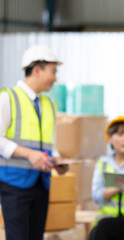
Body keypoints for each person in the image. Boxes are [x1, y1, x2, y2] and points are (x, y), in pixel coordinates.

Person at [0, 45, 68, 240]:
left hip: (41, 184)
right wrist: (29, 154)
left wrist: (57, 161)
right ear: (37, 69)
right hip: (14, 184)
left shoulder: (49, 105)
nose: (55, 78)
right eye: (53, 71)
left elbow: (47, 144)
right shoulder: (7, 99)